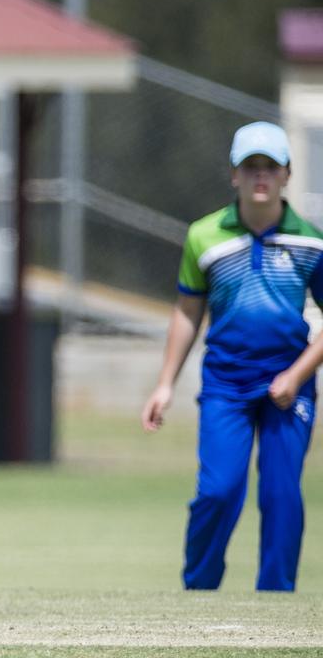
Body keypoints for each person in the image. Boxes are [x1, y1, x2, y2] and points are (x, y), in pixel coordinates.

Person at [140, 121, 319, 592]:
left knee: (281, 494)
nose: (261, 175)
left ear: (287, 174)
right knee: (218, 491)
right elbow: (187, 312)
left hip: (288, 386)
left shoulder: (312, 242)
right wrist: (164, 383)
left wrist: (297, 375)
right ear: (233, 175)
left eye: (270, 167)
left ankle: (275, 594)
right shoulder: (204, 237)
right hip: (225, 383)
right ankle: (199, 588)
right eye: (250, 166)